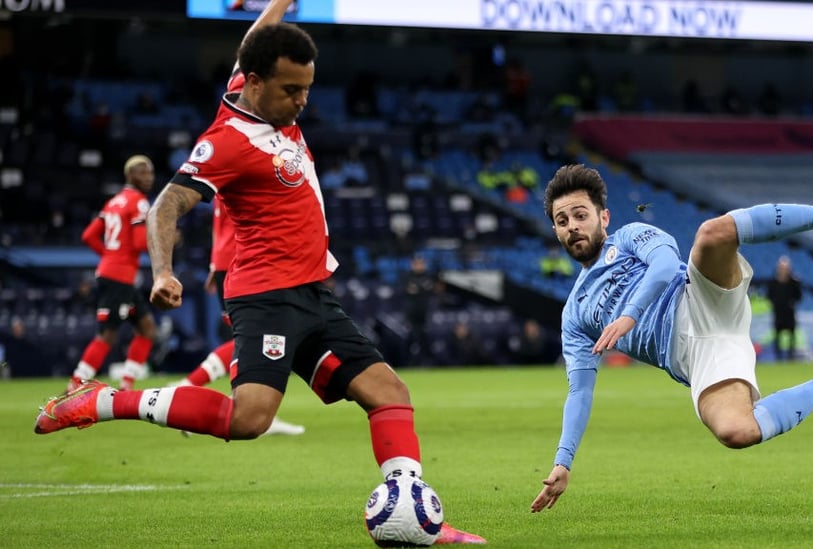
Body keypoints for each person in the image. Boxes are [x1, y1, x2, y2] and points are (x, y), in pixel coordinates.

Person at [34, 2, 484, 544]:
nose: (301, 102)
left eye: (306, 90)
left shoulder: (258, 87)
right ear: (254, 83)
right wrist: (162, 272)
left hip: (315, 293)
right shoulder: (227, 141)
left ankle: (417, 518)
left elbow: (256, 35)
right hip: (266, 296)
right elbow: (165, 207)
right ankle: (101, 401)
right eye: (291, 90)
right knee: (250, 420)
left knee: (389, 392)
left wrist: (278, 4)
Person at [530, 164, 813, 513]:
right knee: (736, 431)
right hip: (695, 358)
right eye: (562, 221)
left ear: (603, 217)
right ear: (555, 231)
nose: (573, 226)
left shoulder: (629, 236)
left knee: (713, 233)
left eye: (581, 215)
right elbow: (579, 391)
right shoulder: (575, 314)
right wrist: (563, 462)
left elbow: (664, 264)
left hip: (698, 298)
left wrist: (631, 315)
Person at [172, 194, 305, 436]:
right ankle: (194, 388)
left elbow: (219, 224)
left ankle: (241, 405)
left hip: (227, 261)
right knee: (253, 339)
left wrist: (215, 264)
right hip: (244, 262)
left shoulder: (225, 182)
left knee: (246, 340)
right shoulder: (247, 178)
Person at [68, 155, 158, 392]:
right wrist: (164, 237)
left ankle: (126, 386)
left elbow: (88, 236)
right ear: (130, 176)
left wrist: (109, 254)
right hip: (119, 278)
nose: (149, 177)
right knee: (107, 335)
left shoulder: (113, 202)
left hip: (117, 276)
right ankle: (75, 384)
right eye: (143, 172)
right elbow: (140, 243)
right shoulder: (139, 202)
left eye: (150, 172)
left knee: (147, 328)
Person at [766, 255, 803, 360]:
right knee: (777, 335)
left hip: (790, 313)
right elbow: (769, 296)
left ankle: (791, 356)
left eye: (786, 268)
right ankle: (778, 357)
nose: (784, 270)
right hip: (778, 313)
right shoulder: (772, 282)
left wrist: (792, 303)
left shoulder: (794, 282)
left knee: (792, 335)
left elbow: (799, 296)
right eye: (782, 268)